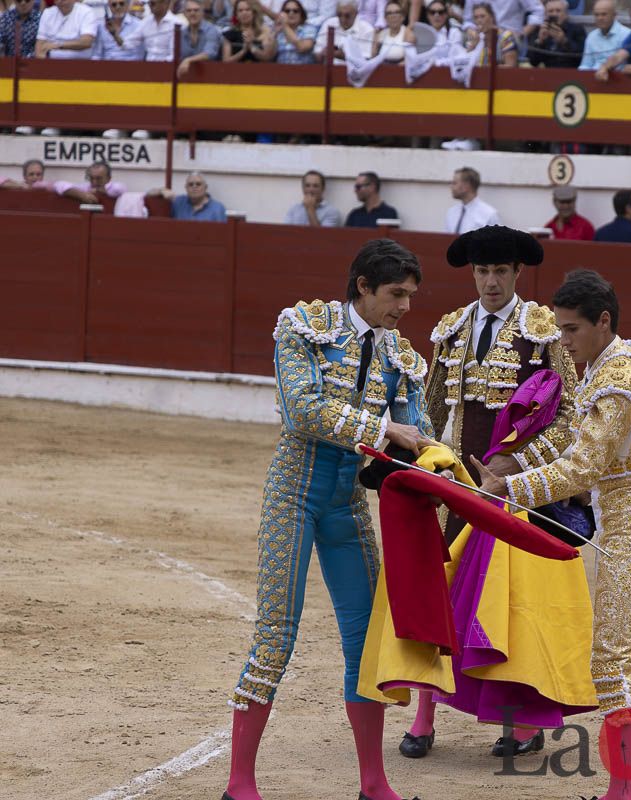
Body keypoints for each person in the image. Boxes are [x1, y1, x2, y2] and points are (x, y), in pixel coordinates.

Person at [224, 239, 438, 800]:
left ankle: (373, 783)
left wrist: (441, 464)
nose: (405, 308)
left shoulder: (401, 356)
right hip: (293, 496)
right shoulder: (303, 327)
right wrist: (386, 432)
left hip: (347, 504)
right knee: (275, 637)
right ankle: (240, 785)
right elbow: (304, 411)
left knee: (365, 643)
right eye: (396, 294)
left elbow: (417, 431)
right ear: (363, 287)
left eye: (412, 296)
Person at [387, 225, 586, 760]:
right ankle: (425, 719)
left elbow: (568, 418)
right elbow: (426, 413)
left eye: (500, 271)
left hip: (513, 491)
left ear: (518, 273)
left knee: (506, 605)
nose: (490, 281)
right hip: (457, 483)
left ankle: (518, 722)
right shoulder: (451, 329)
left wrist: (514, 463)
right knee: (443, 593)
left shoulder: (543, 330)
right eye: (482, 271)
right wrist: (429, 467)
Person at [475, 268, 631, 800]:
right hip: (624, 516)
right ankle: (628, 788)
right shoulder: (608, 361)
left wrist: (511, 489)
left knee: (610, 659)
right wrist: (513, 473)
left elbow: (582, 469)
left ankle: (622, 791)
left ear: (602, 321)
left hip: (630, 525)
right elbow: (573, 446)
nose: (562, 342)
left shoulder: (619, 378)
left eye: (569, 330)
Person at [444, 167, 501, 234]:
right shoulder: (452, 212)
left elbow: (496, 242)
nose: (451, 187)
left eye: (454, 183)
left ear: (466, 185)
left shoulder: (489, 214)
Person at [528, 0, 585, 68]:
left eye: (558, 11)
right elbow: (533, 62)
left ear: (566, 14)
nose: (554, 14)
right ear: (545, 15)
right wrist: (540, 41)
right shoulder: (540, 30)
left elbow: (581, 58)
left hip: (571, 73)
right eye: (550, 11)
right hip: (548, 73)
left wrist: (564, 41)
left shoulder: (577, 30)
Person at [578, 0, 629, 72]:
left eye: (604, 14)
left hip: (618, 78)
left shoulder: (626, 34)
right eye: (596, 15)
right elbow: (586, 64)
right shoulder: (591, 37)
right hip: (593, 78)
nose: (600, 18)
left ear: (614, 15)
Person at [463, 2, 517, 67]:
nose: (479, 20)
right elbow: (464, 65)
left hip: (501, 76)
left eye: (482, 16)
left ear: (491, 17)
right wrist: (474, 45)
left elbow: (510, 66)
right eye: (476, 17)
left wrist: (488, 69)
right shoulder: (475, 38)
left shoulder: (505, 37)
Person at [177, 0, 222, 76]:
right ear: (184, 14)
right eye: (189, 11)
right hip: (186, 77)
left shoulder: (211, 30)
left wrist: (188, 60)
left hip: (210, 75)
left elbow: (209, 53)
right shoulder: (182, 33)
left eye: (196, 10)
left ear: (202, 12)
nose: (192, 13)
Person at [54, 160, 126, 204]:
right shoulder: (86, 187)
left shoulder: (115, 187)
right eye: (91, 178)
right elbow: (58, 185)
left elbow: (120, 189)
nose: (94, 182)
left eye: (99, 178)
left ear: (108, 178)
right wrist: (82, 195)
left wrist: (101, 190)